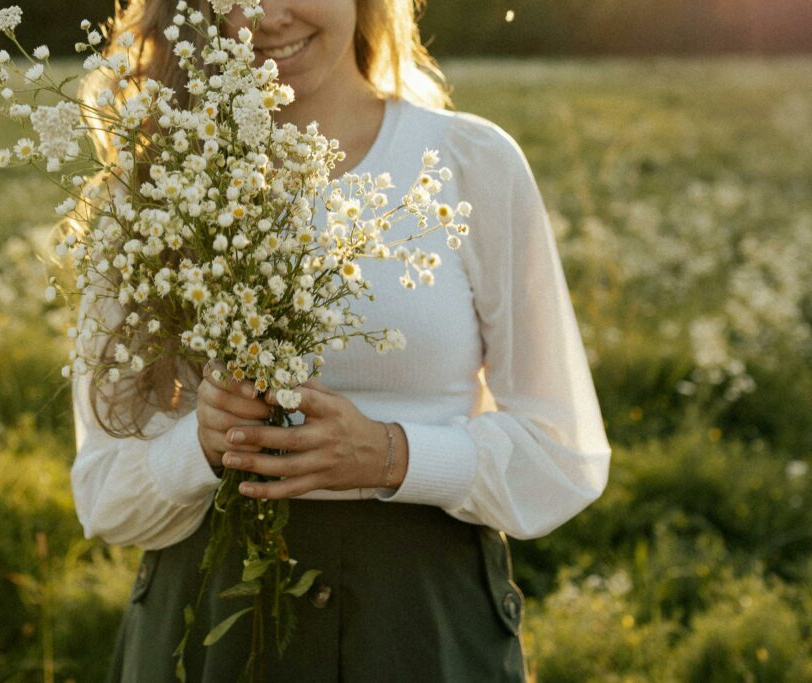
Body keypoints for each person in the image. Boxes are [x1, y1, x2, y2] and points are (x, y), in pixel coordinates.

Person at [70, 0, 612, 680]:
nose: (267, 15)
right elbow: (103, 493)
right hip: (210, 627)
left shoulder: (471, 163)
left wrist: (394, 455)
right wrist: (202, 446)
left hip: (417, 625)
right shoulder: (150, 188)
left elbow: (564, 458)